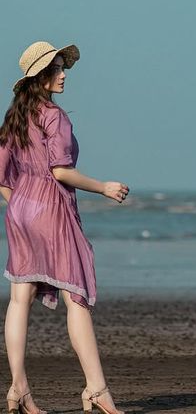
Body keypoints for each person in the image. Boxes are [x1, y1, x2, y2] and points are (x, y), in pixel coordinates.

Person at [0, 41, 130, 414]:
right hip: (51, 211)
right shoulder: (54, 116)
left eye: (61, 67)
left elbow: (2, 175)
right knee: (78, 297)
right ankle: (96, 389)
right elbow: (60, 171)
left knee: (19, 299)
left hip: (20, 210)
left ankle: (19, 389)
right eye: (56, 69)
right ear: (39, 77)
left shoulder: (14, 117)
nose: (63, 74)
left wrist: (24, 205)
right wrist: (104, 187)